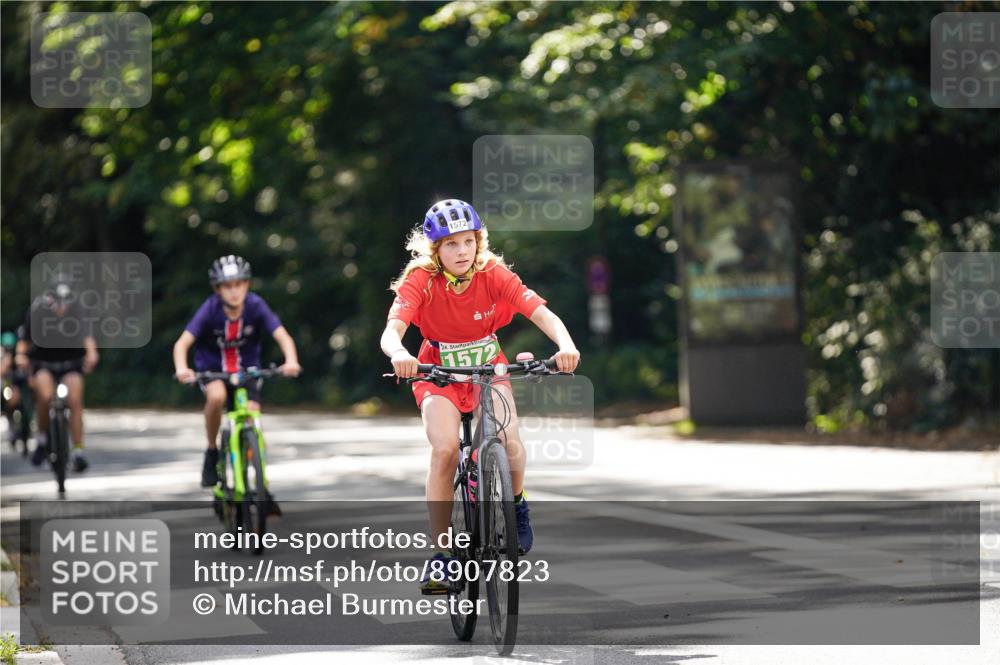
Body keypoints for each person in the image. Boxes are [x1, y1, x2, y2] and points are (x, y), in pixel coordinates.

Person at [380, 198, 580, 593]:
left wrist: (566, 344)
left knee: (511, 444)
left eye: (468, 241)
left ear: (479, 241)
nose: (461, 251)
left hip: (490, 369)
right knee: (445, 451)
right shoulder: (421, 279)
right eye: (451, 244)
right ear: (435, 248)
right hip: (436, 373)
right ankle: (441, 558)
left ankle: (517, 504)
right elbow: (392, 329)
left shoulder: (493, 273)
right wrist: (400, 353)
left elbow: (540, 312)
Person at [172, 255, 301, 492]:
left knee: (252, 416)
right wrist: (182, 368)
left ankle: (258, 476)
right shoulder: (210, 309)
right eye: (227, 286)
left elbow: (282, 336)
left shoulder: (256, 305)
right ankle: (212, 451)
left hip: (248, 371)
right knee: (217, 398)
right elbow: (182, 344)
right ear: (217, 289)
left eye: (238, 284)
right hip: (213, 370)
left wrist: (291, 361)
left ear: (247, 284)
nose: (234, 292)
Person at [16, 278, 99, 471]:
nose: (62, 308)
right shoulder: (37, 309)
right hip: (43, 362)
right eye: (58, 303)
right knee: (44, 396)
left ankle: (78, 451)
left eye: (66, 303)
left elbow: (87, 336)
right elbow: (24, 339)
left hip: (71, 363)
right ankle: (43, 439)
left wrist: (92, 353)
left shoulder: (77, 308)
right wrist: (20, 356)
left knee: (76, 400)